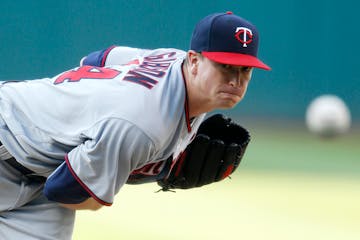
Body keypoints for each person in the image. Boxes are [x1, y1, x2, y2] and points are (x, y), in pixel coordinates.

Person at [0, 11, 270, 239]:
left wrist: (84, 111)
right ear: (195, 61)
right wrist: (155, 168)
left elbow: (99, 59)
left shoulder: (173, 61)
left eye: (245, 69)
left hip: (32, 168)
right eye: (225, 66)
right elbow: (66, 190)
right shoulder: (143, 125)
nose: (236, 80)